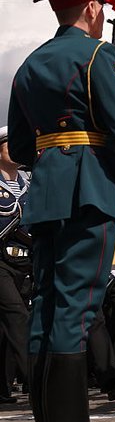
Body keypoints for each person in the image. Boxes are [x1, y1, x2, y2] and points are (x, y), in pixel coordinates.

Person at [7, 0, 115, 422]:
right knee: (78, 309)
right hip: (90, 190)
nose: (107, 15)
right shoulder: (99, 54)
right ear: (91, 7)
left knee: (46, 306)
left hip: (46, 195)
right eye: (103, 7)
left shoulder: (30, 64)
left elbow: (20, 145)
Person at [0, 126, 30, 405]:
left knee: (7, 326)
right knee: (17, 316)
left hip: (24, 261)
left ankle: (2, 388)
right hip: (0, 261)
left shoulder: (30, 184)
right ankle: (35, 379)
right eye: (10, 146)